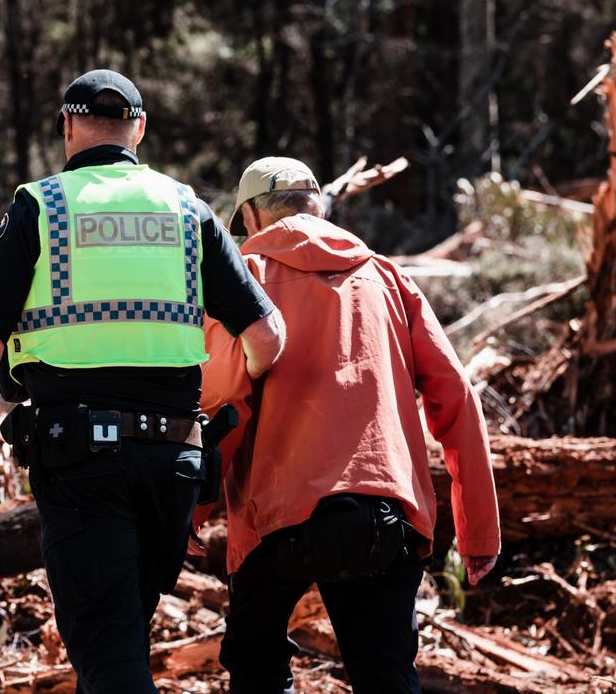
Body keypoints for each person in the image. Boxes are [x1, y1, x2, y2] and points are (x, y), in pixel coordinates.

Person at [0, 70, 284, 693]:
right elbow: (267, 338)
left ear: (67, 126)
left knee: (109, 658)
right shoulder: (188, 210)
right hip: (175, 466)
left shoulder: (41, 207)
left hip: (82, 462)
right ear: (139, 129)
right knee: (120, 643)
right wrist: (239, 394)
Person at [200, 157, 501, 694]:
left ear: (249, 215)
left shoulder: (244, 279)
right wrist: (478, 528)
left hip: (275, 517)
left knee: (255, 665)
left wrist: (192, 510)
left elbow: (225, 404)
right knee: (387, 678)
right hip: (384, 511)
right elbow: (454, 394)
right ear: (316, 204)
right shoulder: (386, 276)